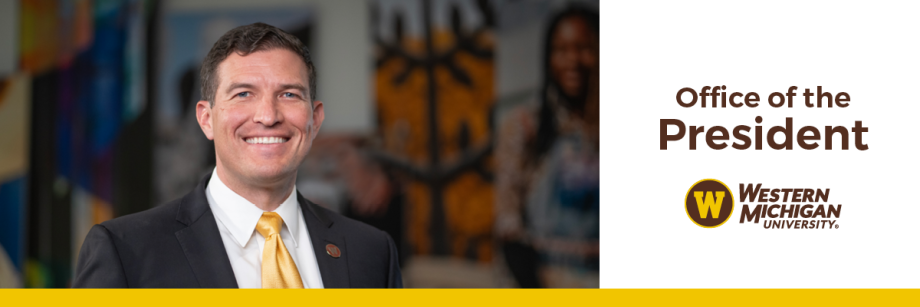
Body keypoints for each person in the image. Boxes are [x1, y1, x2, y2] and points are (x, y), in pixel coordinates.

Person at [73, 22, 402, 288]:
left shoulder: (371, 252)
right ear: (206, 119)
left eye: (289, 94)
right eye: (244, 94)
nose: (268, 116)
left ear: (314, 120)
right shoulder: (125, 252)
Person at [495, 6, 599, 288]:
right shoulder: (526, 125)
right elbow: (508, 224)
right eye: (561, 50)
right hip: (544, 279)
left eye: (584, 48)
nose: (572, 60)